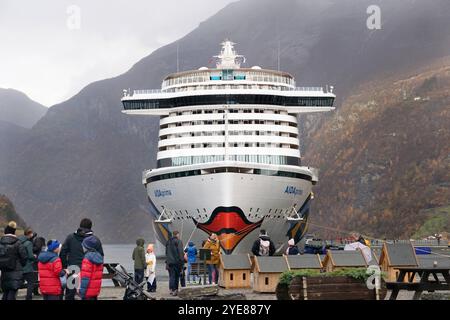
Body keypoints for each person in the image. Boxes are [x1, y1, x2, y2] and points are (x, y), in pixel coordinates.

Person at [60, 218, 104, 300]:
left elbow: (63, 253)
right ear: (91, 227)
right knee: (89, 294)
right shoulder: (95, 240)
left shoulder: (70, 237)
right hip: (89, 271)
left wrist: (65, 267)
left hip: (73, 269)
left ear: (80, 226)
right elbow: (100, 257)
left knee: (70, 294)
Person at [0, 221, 27, 300]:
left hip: (4, 271)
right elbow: (24, 257)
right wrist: (20, 265)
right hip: (16, 271)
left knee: (6, 292)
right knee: (12, 293)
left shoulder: (1, 243)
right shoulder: (18, 243)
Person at [79, 235, 104, 300]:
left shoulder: (87, 258)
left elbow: (85, 278)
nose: (82, 247)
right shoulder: (98, 256)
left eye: (83, 245)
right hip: (94, 291)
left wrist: (82, 292)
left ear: (87, 247)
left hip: (87, 293)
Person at [18, 227, 37, 300]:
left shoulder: (19, 241)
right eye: (31, 233)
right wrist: (35, 257)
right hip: (27, 266)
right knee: (30, 283)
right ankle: (28, 298)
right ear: (29, 234)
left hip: (19, 266)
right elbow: (30, 255)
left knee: (17, 283)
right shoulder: (28, 243)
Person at [165, 231, 184, 296]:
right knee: (176, 277)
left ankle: (171, 289)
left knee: (172, 276)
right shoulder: (179, 241)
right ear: (177, 234)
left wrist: (167, 262)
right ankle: (175, 290)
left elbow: (166, 253)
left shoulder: (168, 242)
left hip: (169, 262)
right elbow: (180, 252)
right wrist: (182, 262)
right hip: (177, 262)